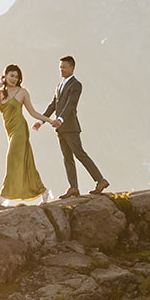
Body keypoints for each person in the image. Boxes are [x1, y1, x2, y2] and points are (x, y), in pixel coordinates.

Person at [34, 54, 108, 197]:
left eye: (64, 67)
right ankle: (73, 187)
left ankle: (100, 180)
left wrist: (60, 119)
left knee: (79, 154)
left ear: (72, 68)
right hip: (60, 129)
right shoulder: (59, 85)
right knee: (67, 157)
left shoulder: (76, 85)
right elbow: (52, 105)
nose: (61, 70)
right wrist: (41, 121)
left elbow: (71, 105)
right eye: (60, 67)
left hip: (70, 127)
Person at [0, 64, 55, 205]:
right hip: (10, 131)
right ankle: (44, 191)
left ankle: (4, 196)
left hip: (20, 130)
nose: (14, 79)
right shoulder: (2, 92)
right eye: (11, 76)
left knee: (12, 159)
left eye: (16, 77)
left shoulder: (22, 92)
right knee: (26, 163)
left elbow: (33, 112)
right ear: (5, 76)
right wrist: (1, 82)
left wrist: (48, 120)